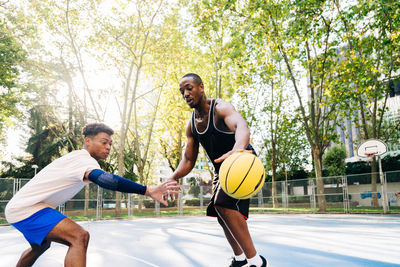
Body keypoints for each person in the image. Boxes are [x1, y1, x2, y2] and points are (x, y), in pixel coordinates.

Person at [5, 122, 180, 267]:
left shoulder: (78, 159)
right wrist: (147, 190)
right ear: (87, 141)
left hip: (22, 208)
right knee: (79, 236)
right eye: (104, 142)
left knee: (40, 247)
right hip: (27, 209)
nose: (108, 147)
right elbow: (103, 179)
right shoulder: (82, 159)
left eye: (110, 143)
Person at [167, 73, 268, 267]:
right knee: (219, 211)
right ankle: (240, 260)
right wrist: (173, 177)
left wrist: (238, 148)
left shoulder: (221, 108)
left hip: (241, 160)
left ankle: (257, 262)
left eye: (189, 88)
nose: (185, 94)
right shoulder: (192, 125)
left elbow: (241, 126)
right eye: (182, 91)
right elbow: (188, 159)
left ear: (201, 87)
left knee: (223, 204)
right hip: (221, 168)